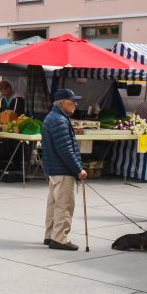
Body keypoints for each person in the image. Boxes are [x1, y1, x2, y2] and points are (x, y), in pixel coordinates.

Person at [40, 88, 88, 250]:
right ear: (62, 103)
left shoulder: (52, 117)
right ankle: (60, 238)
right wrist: (78, 169)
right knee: (64, 206)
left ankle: (50, 235)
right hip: (63, 170)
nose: (75, 104)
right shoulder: (59, 120)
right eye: (72, 101)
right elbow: (66, 150)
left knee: (54, 205)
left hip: (55, 169)